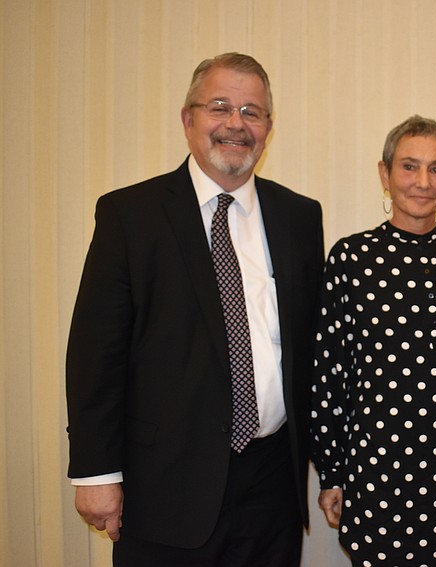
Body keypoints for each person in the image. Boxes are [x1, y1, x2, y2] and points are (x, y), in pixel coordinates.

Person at [65, 52, 324, 566]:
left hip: (271, 484)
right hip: (164, 485)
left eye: (252, 111)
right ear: (188, 120)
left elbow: (309, 348)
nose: (236, 124)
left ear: (269, 127)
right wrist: (96, 474)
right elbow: (96, 354)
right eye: (220, 107)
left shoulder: (299, 216)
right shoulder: (130, 215)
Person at [311, 115, 436, 566]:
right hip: (376, 468)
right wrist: (332, 472)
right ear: (385, 173)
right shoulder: (352, 257)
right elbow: (329, 372)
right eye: (409, 167)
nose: (423, 182)